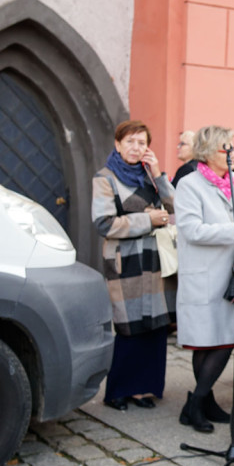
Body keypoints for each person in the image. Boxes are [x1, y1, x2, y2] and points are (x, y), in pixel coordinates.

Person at [174, 125, 234, 432]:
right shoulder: (189, 184)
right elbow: (191, 229)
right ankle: (197, 403)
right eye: (226, 148)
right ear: (208, 152)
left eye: (231, 147)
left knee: (225, 339)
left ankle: (201, 401)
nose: (231, 153)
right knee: (207, 342)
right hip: (203, 273)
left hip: (229, 275)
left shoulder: (233, 180)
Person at [92, 119, 175, 411]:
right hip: (124, 261)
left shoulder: (149, 175)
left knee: (154, 325)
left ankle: (145, 389)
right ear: (118, 144)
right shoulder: (105, 178)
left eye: (142, 142)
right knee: (129, 326)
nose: (136, 148)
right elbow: (104, 223)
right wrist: (147, 220)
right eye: (130, 142)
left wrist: (158, 174)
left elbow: (176, 206)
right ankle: (118, 391)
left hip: (154, 260)